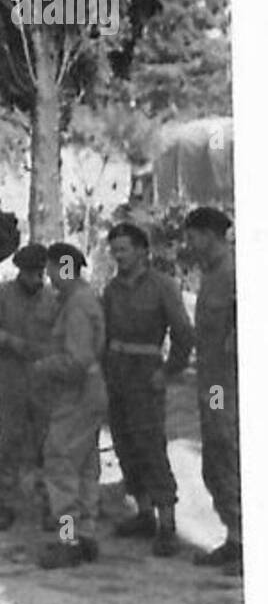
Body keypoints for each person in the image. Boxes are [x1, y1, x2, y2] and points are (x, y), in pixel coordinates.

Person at [102, 221, 194, 557]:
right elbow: (104, 334)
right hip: (116, 374)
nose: (119, 256)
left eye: (124, 249)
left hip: (146, 374)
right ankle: (143, 514)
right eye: (114, 251)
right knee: (125, 444)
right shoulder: (111, 290)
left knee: (150, 446)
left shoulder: (162, 286)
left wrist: (169, 371)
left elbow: (184, 333)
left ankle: (167, 523)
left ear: (143, 251)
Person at [33, 243, 108, 570]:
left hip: (76, 391)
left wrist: (44, 366)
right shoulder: (81, 299)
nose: (48, 277)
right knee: (86, 464)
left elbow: (77, 360)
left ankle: (68, 539)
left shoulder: (76, 304)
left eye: (50, 269)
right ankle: (86, 533)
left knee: (61, 462)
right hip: (89, 390)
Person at [0, 243, 59, 530]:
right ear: (20, 271)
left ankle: (51, 505)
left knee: (47, 445)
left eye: (39, 273)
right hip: (11, 378)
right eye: (29, 273)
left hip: (43, 382)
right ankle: (4, 503)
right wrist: (9, 341)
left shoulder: (52, 300)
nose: (35, 279)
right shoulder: (2, 295)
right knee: (8, 442)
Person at [185, 207, 240, 574]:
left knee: (232, 454)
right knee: (216, 458)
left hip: (230, 384)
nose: (189, 243)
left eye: (192, 235)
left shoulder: (237, 273)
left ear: (209, 234)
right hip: (212, 382)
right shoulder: (211, 275)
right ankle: (236, 538)